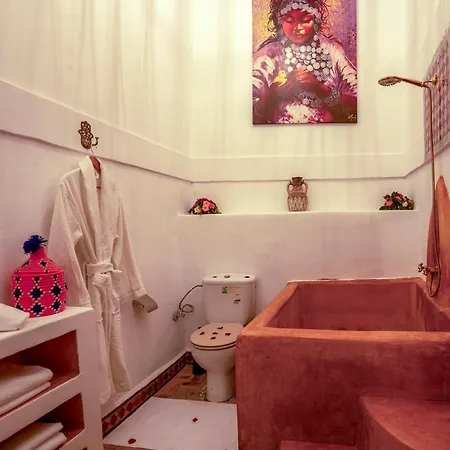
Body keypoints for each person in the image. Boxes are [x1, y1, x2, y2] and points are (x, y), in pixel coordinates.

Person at [253, 0, 357, 124]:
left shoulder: (332, 51)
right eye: (289, 20)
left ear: (316, 19)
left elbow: (360, 104)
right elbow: (247, 112)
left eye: (306, 20)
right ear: (280, 21)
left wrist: (322, 89)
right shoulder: (267, 56)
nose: (298, 28)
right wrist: (272, 95)